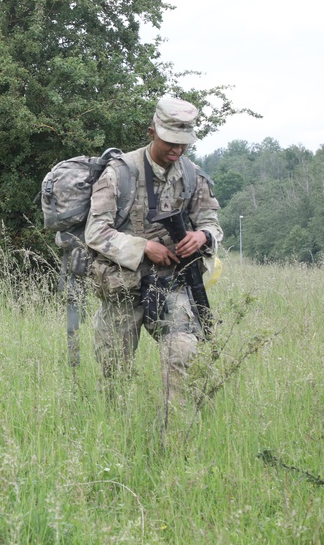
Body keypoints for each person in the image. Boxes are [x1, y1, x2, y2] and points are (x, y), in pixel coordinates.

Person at [83, 97, 222, 412]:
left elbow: (212, 223)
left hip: (172, 284)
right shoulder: (120, 172)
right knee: (114, 374)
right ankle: (118, 435)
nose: (176, 150)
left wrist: (202, 236)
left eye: (183, 144)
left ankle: (174, 436)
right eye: (170, 142)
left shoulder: (193, 175)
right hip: (123, 287)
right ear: (152, 132)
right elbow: (95, 231)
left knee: (183, 354)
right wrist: (143, 246)